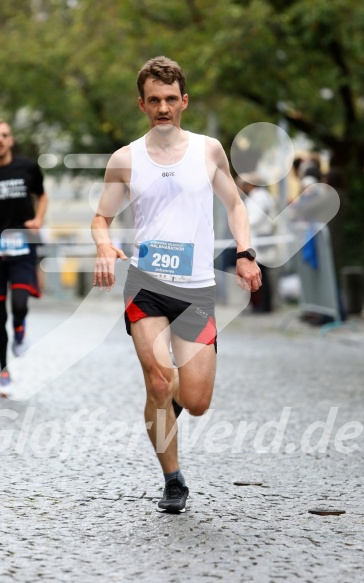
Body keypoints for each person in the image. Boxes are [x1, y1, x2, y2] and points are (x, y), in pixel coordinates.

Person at [91, 57, 261, 513]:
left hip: (197, 288)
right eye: (154, 100)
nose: (163, 107)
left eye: (171, 99)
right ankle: (173, 479)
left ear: (183, 101)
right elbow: (100, 219)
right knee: (160, 379)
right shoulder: (125, 159)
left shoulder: (208, 151)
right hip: (146, 285)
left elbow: (236, 206)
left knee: (196, 400)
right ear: (142, 104)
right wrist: (105, 247)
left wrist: (245, 253)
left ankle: (160, 411)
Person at [0, 118, 48, 396]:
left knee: (19, 301)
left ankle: (20, 327)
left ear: (11, 139)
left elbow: (42, 196)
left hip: (22, 244)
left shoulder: (27, 167)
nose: (0, 140)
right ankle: (3, 371)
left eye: (4, 135)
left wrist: (38, 219)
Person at [236, 173, 278, 313]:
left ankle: (264, 306)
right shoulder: (259, 196)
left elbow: (254, 219)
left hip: (260, 242)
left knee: (261, 275)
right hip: (258, 241)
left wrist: (239, 224)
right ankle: (259, 304)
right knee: (261, 275)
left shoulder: (259, 197)